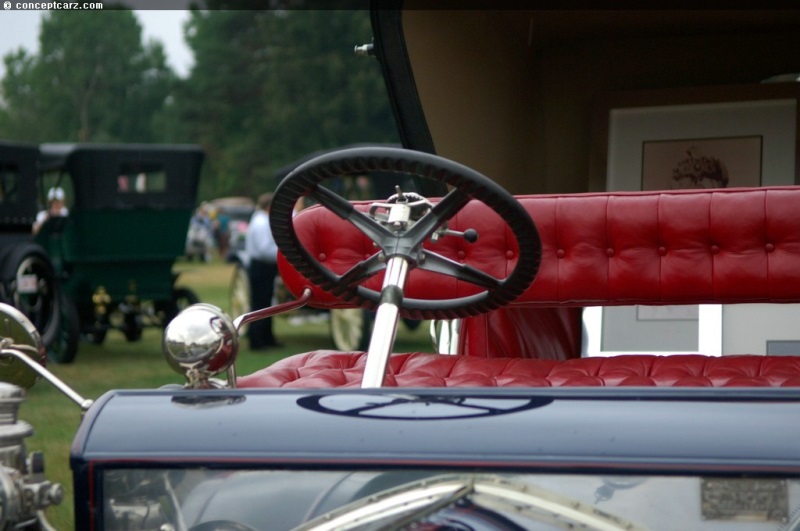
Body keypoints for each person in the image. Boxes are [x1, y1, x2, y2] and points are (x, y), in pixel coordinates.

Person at [245, 192, 281, 350]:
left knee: (265, 303)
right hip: (262, 267)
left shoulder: (260, 220)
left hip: (262, 267)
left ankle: (266, 338)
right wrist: (284, 254)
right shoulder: (261, 222)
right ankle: (258, 341)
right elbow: (265, 249)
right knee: (261, 304)